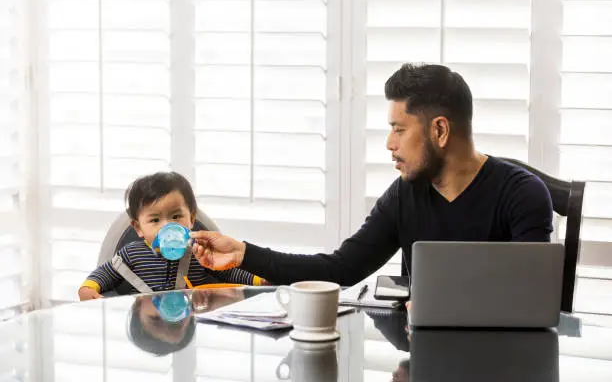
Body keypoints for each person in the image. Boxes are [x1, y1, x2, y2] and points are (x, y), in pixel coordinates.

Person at [190, 63, 554, 286]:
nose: (388, 144)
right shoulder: (405, 194)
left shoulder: (522, 194)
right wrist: (243, 253)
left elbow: (530, 292)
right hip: (422, 359)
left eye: (398, 129)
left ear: (439, 131)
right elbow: (341, 268)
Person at [78, 172, 266, 300]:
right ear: (138, 228)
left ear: (191, 219)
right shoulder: (132, 253)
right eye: (154, 220)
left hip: (191, 320)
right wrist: (88, 288)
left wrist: (261, 280)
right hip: (147, 320)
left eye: (176, 216)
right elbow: (106, 272)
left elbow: (230, 271)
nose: (167, 227)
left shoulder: (200, 252)